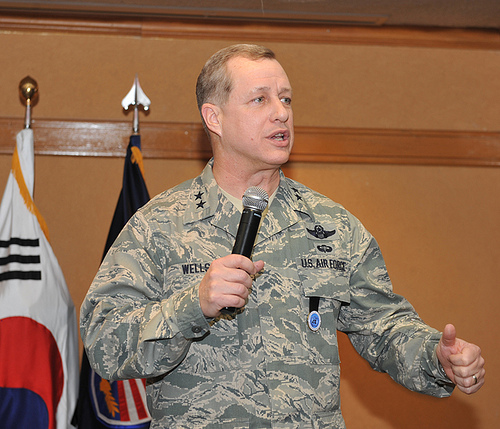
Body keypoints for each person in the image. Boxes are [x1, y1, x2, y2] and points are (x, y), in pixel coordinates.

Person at [80, 44, 485, 428]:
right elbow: (103, 341)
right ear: (214, 118)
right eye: (260, 100)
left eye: (286, 99)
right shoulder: (159, 225)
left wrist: (436, 357)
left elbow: (385, 327)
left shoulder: (333, 225)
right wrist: (194, 304)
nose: (281, 113)